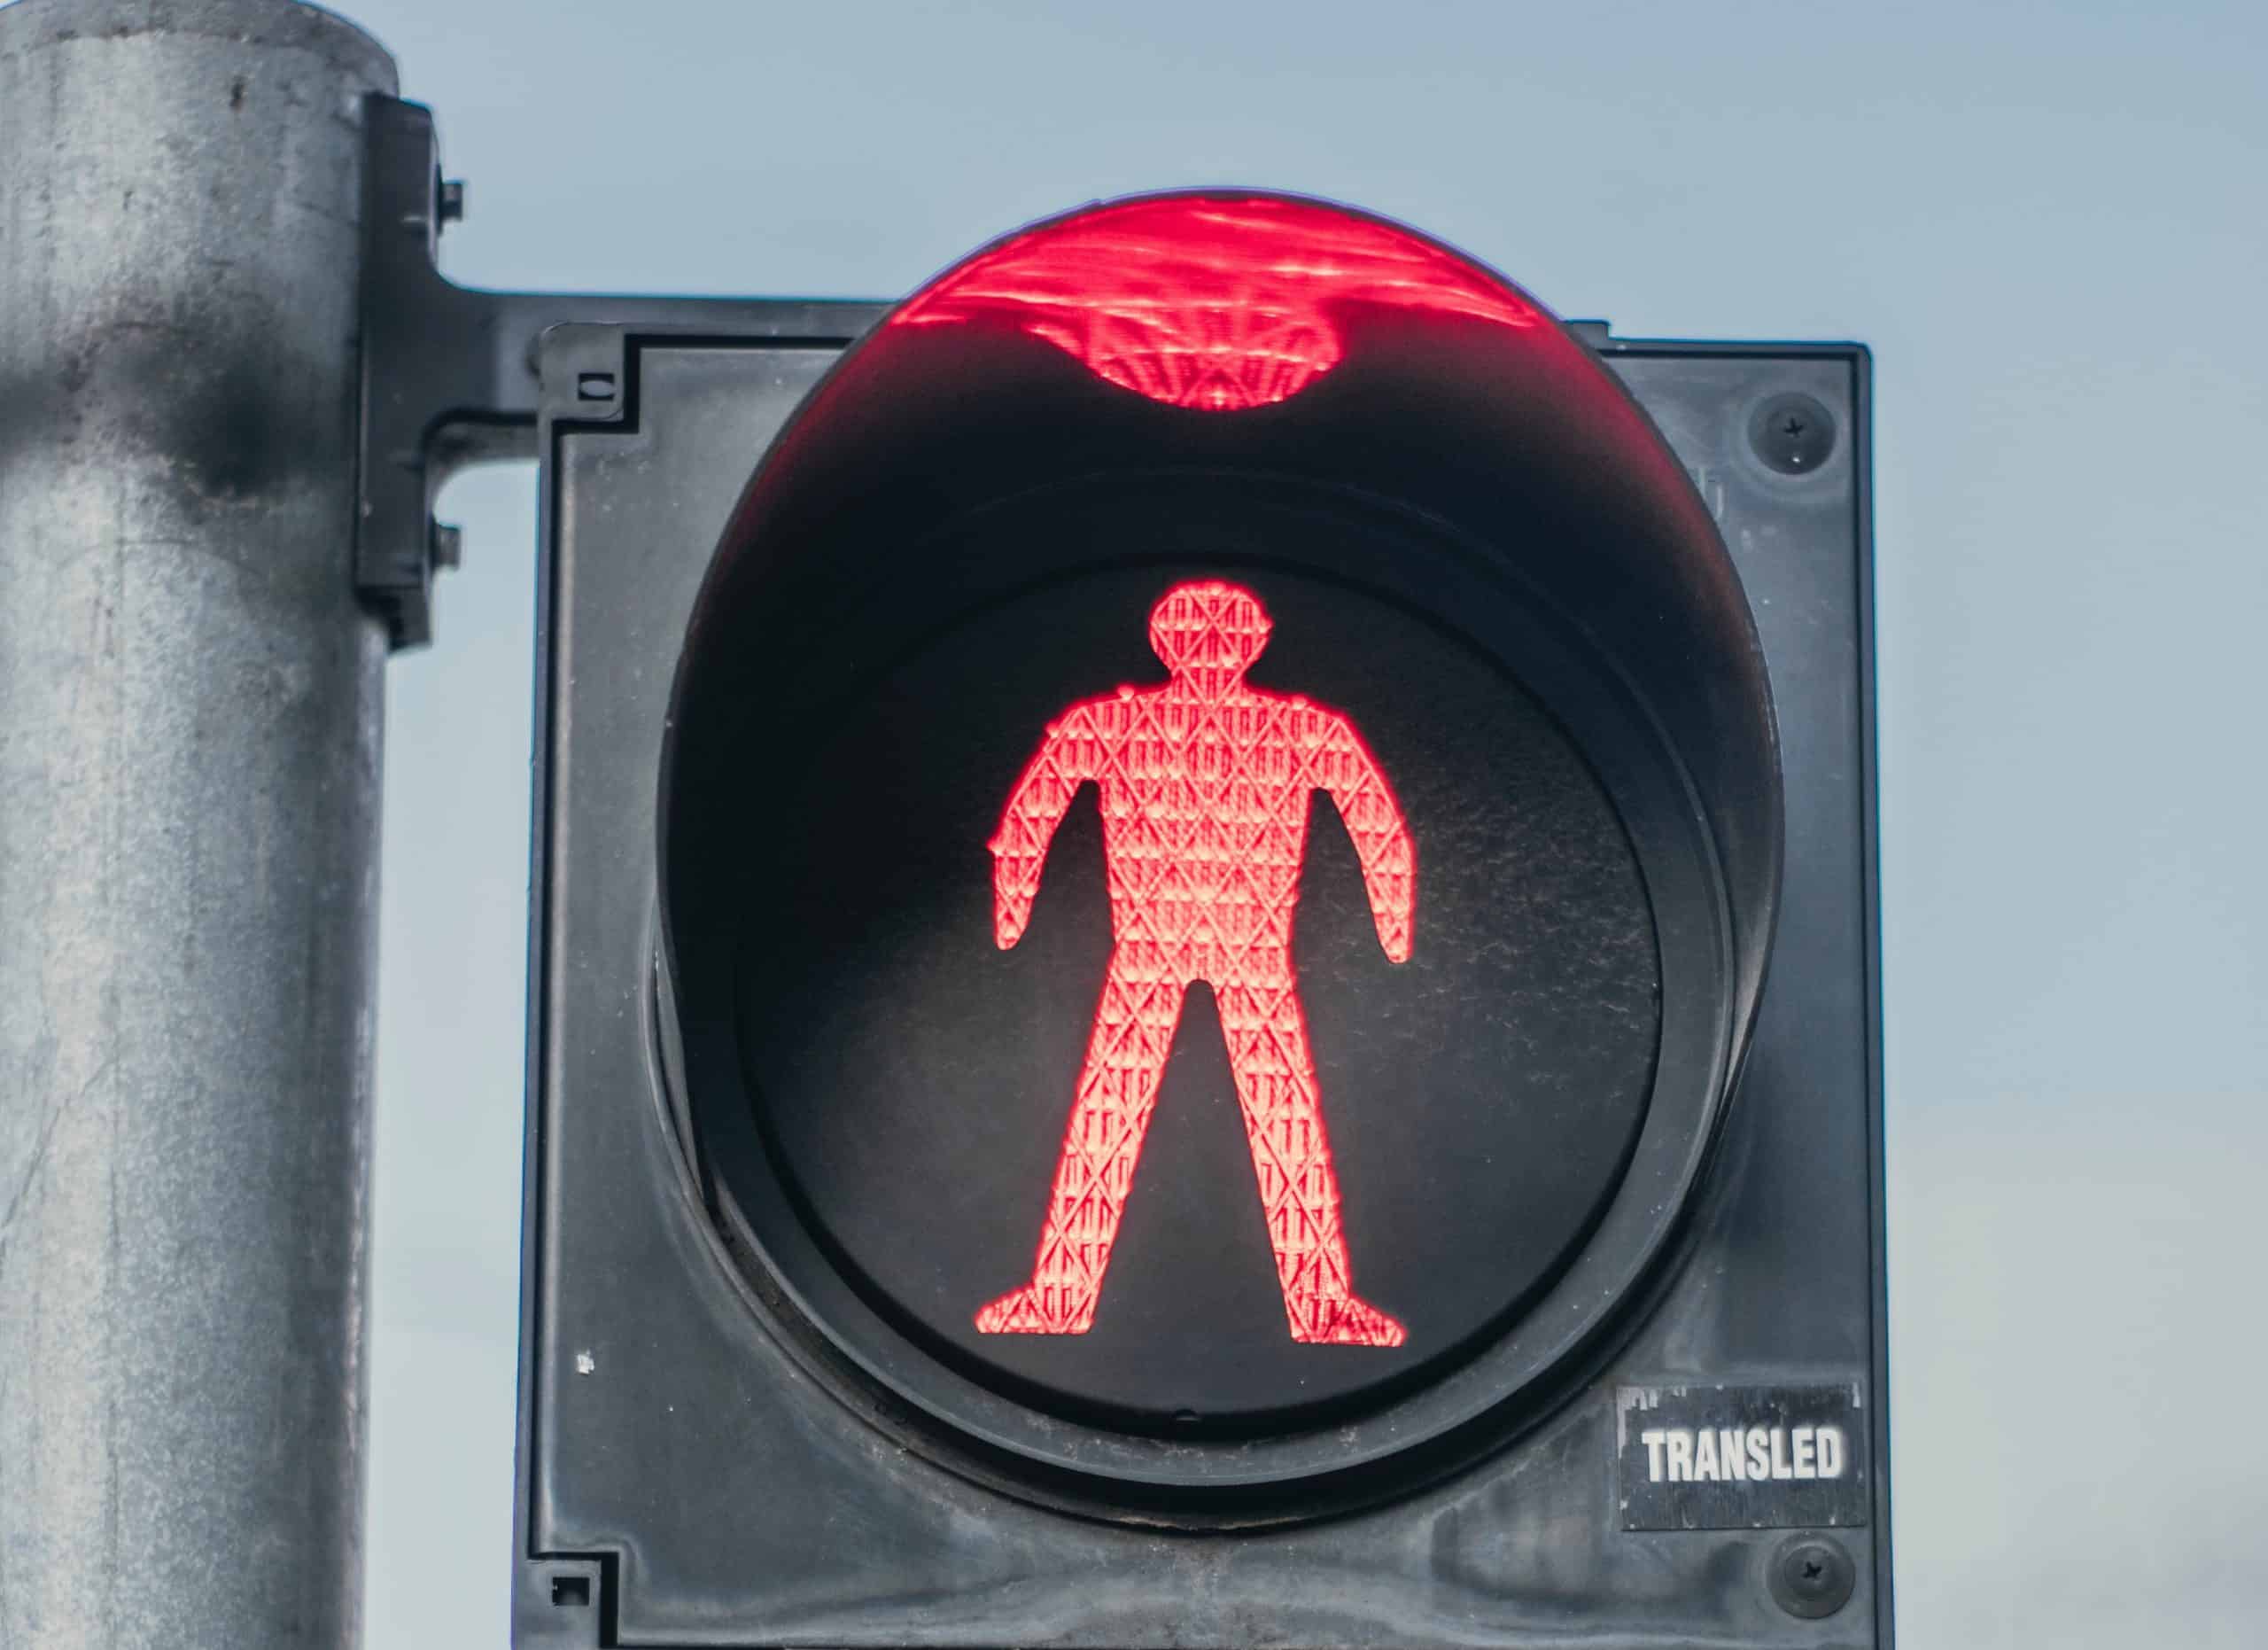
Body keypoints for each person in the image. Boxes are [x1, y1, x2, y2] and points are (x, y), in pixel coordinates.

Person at [977, 580, 1414, 1347]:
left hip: (1232, 949)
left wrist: (1395, 921)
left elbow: (1373, 819)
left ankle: (1311, 1304)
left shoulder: (1132, 724)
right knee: (1155, 1118)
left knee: (1260, 1124)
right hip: (1163, 947)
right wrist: (1390, 922)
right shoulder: (1143, 724)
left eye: (1222, 634)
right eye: (1201, 634)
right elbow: (1029, 819)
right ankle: (1061, 1297)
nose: (1212, 651)